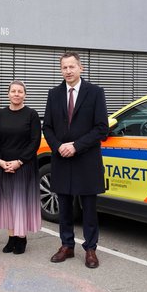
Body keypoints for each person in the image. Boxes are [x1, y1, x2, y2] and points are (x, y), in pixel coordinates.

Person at [42, 51, 108, 269]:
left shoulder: (96, 92)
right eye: (64, 68)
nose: (68, 71)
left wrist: (76, 146)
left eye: (71, 67)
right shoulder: (53, 94)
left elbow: (101, 128)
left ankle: (90, 249)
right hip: (61, 158)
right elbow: (48, 127)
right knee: (65, 206)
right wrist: (58, 146)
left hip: (86, 158)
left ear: (81, 68)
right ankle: (66, 246)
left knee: (89, 208)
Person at [0, 80, 42, 254]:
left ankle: (21, 238)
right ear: (8, 94)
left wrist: (19, 162)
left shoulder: (31, 114)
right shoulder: (0, 114)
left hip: (24, 165)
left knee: (21, 203)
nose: (16, 94)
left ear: (25, 94)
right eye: (13, 91)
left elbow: (35, 141)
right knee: (7, 203)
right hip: (3, 165)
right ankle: (11, 238)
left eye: (20, 91)